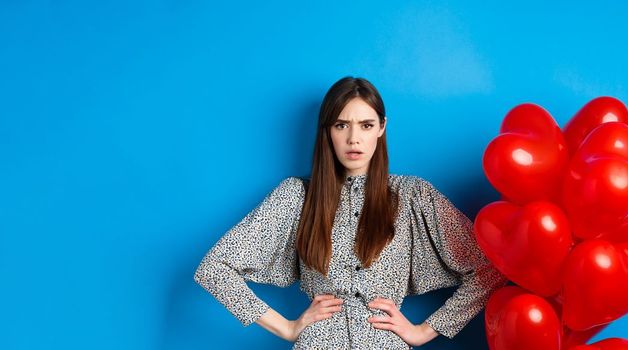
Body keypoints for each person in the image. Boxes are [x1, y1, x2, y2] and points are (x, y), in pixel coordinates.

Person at [193, 76, 507, 349]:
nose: (353, 139)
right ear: (327, 130)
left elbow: (492, 267)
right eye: (342, 125)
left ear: (382, 128)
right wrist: (287, 327)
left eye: (366, 125)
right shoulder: (297, 197)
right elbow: (214, 270)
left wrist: (424, 331)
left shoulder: (413, 195)